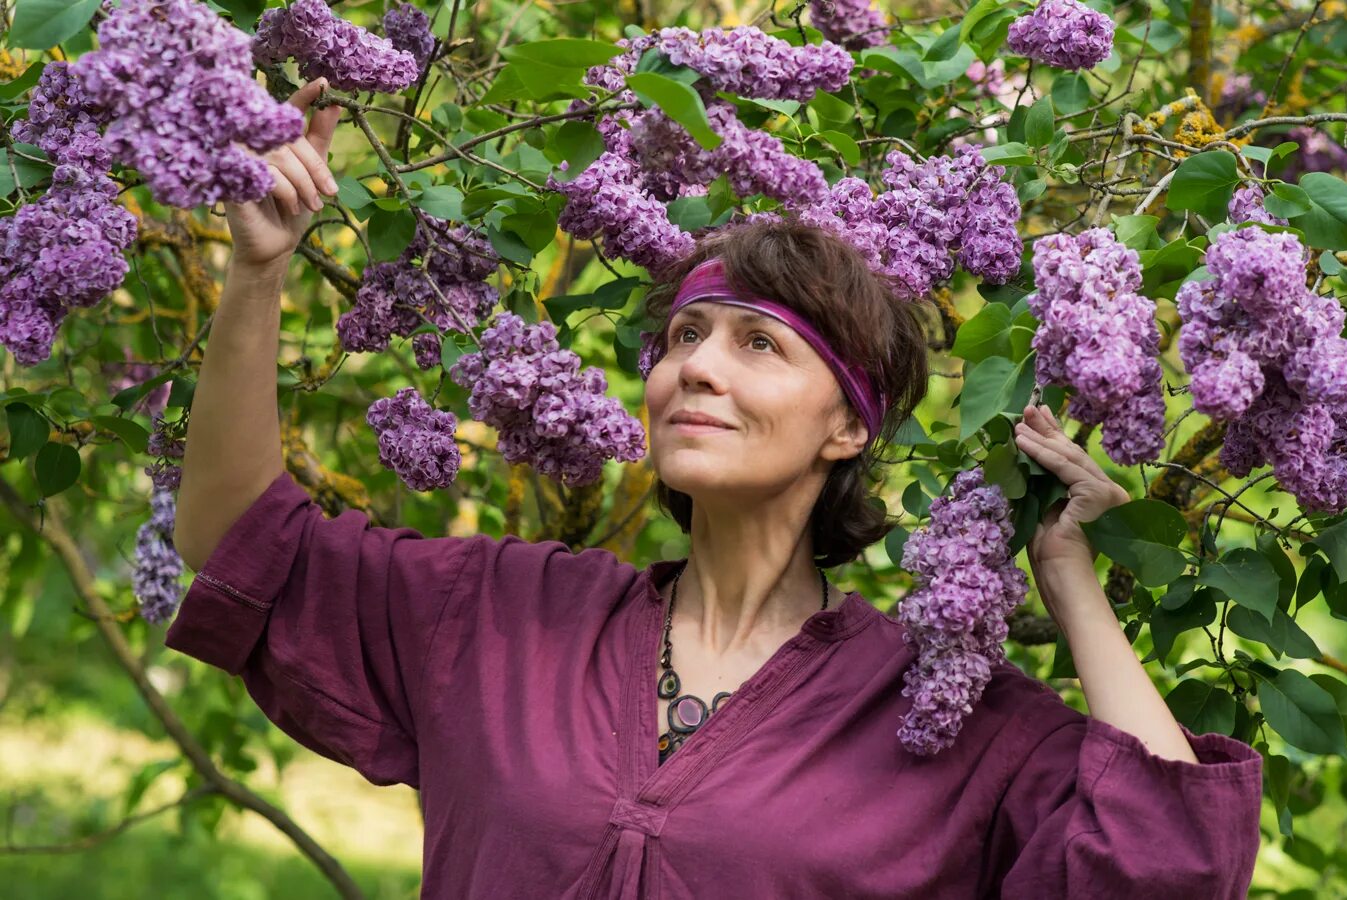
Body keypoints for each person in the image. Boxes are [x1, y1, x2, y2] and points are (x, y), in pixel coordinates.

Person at [167, 79, 1264, 899]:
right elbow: (238, 545)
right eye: (683, 336)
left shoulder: (946, 718)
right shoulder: (498, 616)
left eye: (756, 345)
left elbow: (1161, 863)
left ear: (847, 424)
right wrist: (258, 272)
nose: (693, 365)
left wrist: (1067, 576)